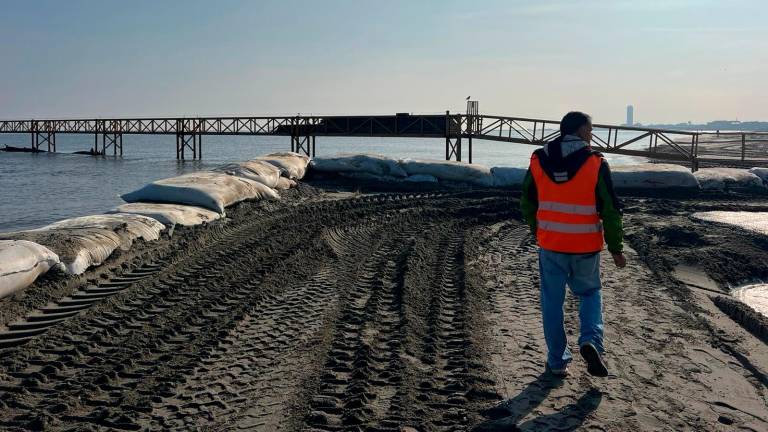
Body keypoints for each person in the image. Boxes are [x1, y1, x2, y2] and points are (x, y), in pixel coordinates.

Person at [520, 111, 626, 378]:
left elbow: (527, 201)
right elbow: (611, 209)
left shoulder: (538, 159)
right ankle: (591, 341)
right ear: (580, 131)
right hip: (585, 245)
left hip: (551, 244)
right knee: (590, 294)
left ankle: (557, 362)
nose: (592, 135)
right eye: (590, 130)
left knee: (552, 303)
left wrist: (538, 231)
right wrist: (616, 248)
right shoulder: (595, 162)